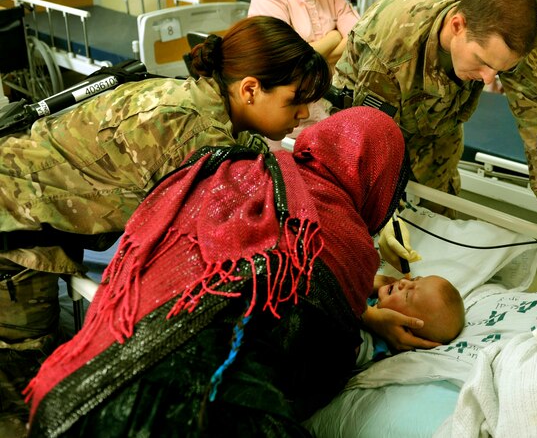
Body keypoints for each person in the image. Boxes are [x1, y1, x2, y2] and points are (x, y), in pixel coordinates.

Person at [0, 15, 330, 432]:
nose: (303, 115)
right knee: (23, 385)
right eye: (294, 101)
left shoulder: (204, 101)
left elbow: (253, 161)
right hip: (13, 216)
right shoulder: (193, 132)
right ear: (250, 89)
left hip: (31, 195)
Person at [25, 107, 431, 436]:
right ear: (376, 179)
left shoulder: (241, 167)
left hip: (72, 386)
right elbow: (323, 357)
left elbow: (262, 258)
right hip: (195, 413)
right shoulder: (351, 239)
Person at [331, 0, 537, 277]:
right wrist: (381, 212)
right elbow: (363, 136)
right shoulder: (390, 49)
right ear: (457, 26)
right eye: (482, 62)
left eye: (500, 69)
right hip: (365, 109)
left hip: (440, 120)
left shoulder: (511, 28)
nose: (490, 79)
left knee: (438, 211)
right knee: (365, 225)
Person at [358, 274, 465, 367]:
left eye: (407, 295)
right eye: (414, 280)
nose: (404, 281)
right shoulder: (376, 296)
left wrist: (362, 283)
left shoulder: (366, 344)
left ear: (405, 331)